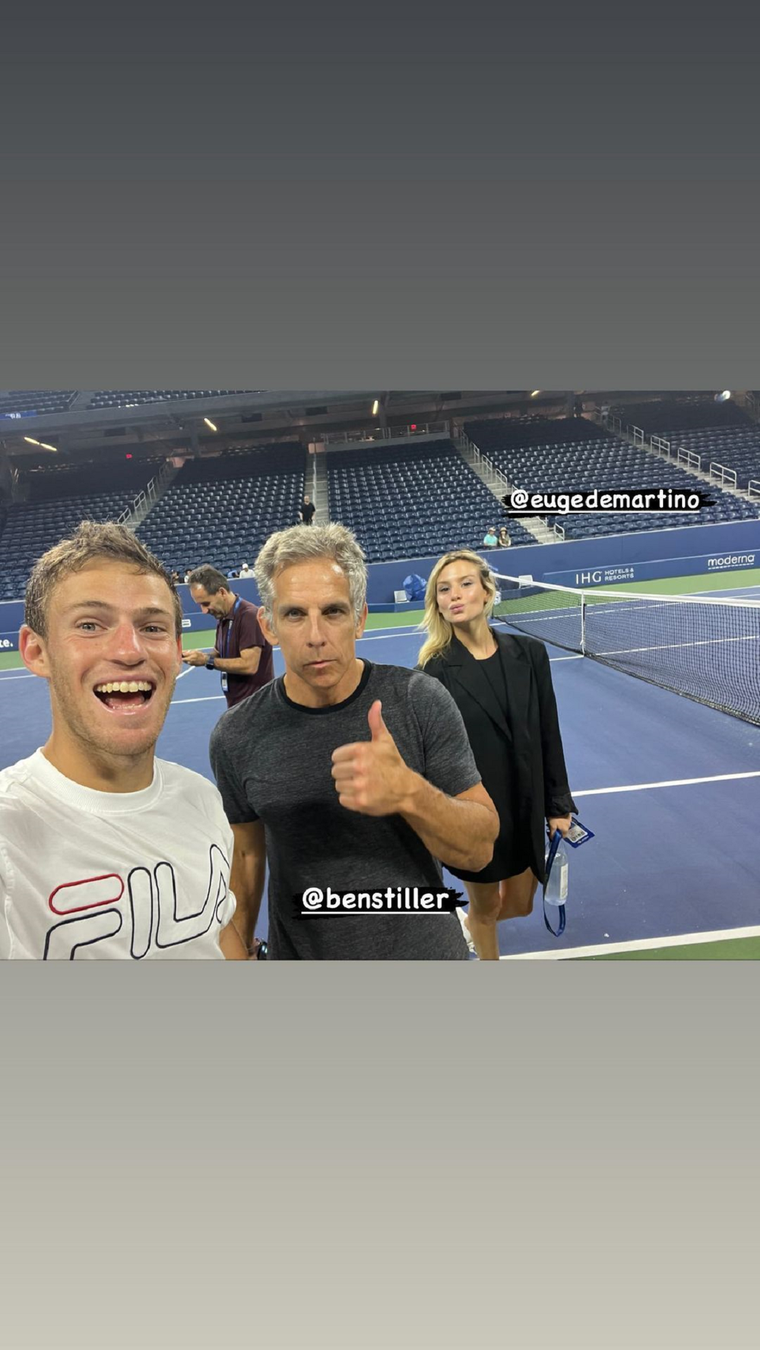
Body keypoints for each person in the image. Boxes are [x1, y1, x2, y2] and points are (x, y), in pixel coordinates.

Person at [208, 523, 499, 959]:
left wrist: (410, 793)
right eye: (293, 614)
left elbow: (479, 851)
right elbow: (247, 856)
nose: (315, 636)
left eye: (333, 612)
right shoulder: (236, 734)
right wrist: (236, 953)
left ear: (359, 619)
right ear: (268, 626)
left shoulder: (417, 700)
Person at [0, 522, 248, 960]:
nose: (130, 650)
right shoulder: (10, 834)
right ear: (37, 651)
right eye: (91, 624)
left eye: (152, 627)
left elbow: (220, 936)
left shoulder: (203, 800)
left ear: (175, 651)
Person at [417, 549, 577, 961]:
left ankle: (464, 925)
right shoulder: (432, 673)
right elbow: (429, 755)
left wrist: (558, 805)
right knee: (486, 909)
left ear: (487, 592)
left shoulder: (531, 655)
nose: (454, 595)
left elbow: (548, 733)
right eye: (443, 589)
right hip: (475, 812)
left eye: (465, 584)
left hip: (525, 805)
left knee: (522, 903)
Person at [182, 565, 274, 709]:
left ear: (222, 592)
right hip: (238, 704)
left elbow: (249, 665)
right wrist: (197, 656)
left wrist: (207, 660)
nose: (204, 611)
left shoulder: (248, 616)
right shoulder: (223, 617)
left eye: (206, 603)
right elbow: (219, 652)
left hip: (257, 706)